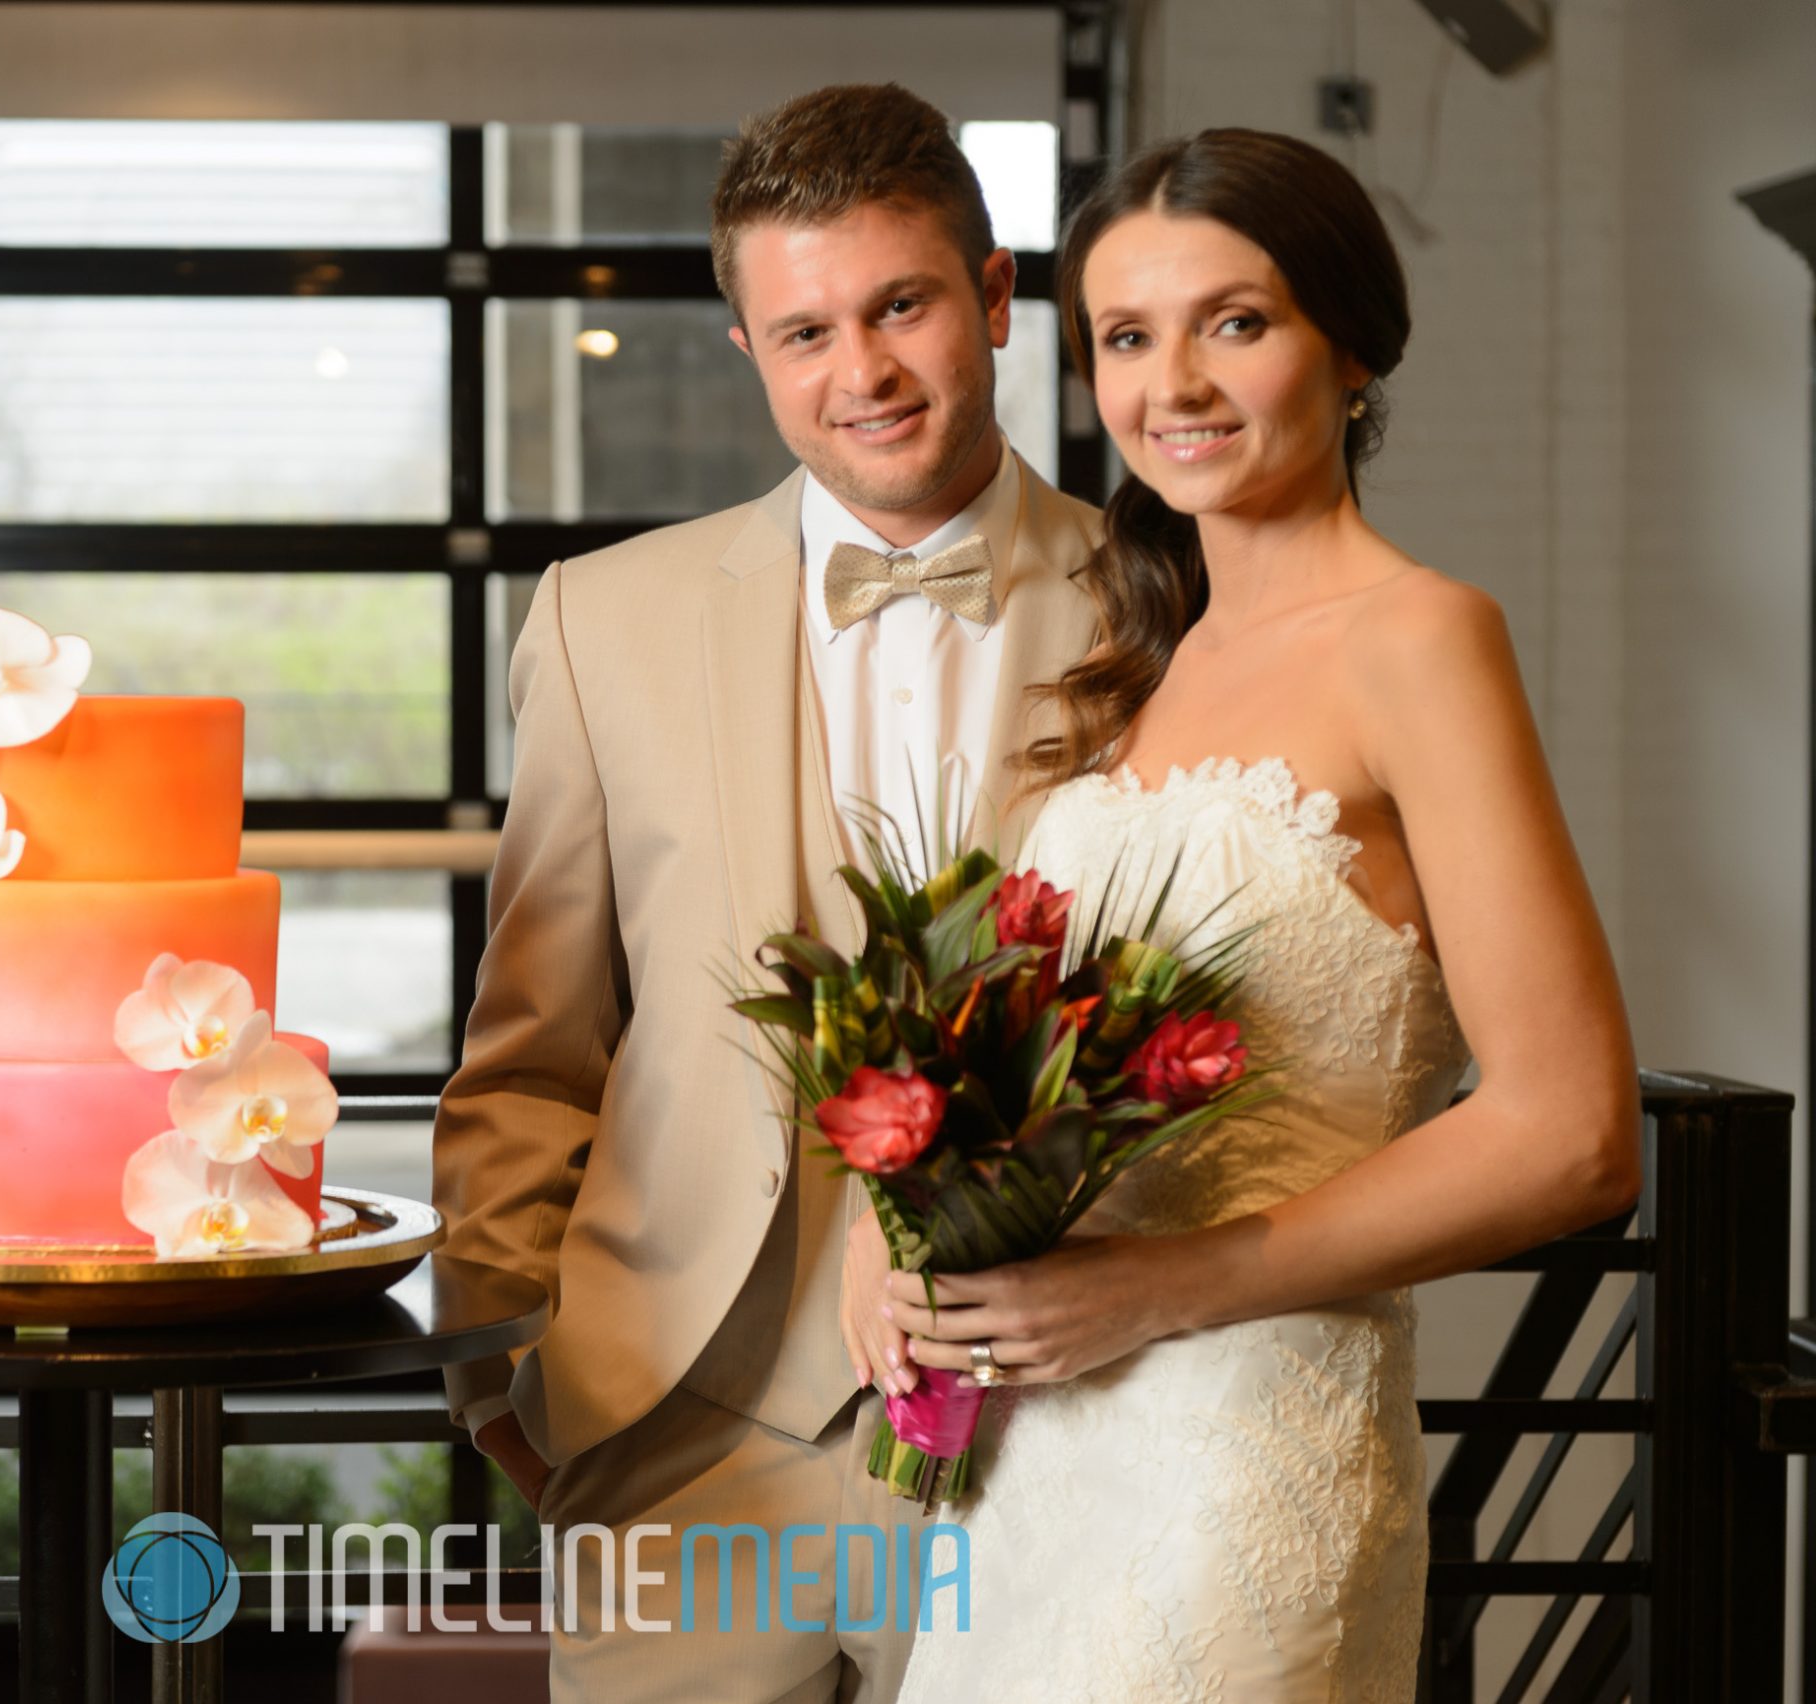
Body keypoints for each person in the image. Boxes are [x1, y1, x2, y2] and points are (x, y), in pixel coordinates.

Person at [871, 128, 1642, 1698]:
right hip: (1037, 1465)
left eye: (1237, 322)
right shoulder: (1136, 660)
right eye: (1127, 339)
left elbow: (1572, 1132)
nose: (1176, 388)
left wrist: (1164, 1285)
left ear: (1351, 346)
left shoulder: (1424, 638)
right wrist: (908, 1248)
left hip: (1246, 1452)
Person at [432, 84, 1102, 1701]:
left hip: (1063, 1439)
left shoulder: (1166, 599)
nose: (858, 373)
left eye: (902, 307)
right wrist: (506, 1375)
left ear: (997, 296)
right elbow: (533, 1038)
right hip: (682, 1439)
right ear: (746, 350)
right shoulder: (606, 619)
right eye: (801, 332)